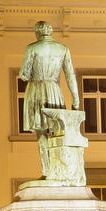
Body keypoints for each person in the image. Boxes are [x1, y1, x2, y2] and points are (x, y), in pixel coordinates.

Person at [18, 20, 80, 178]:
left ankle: (47, 171)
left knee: (41, 133)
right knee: (57, 131)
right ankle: (61, 169)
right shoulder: (63, 49)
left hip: (37, 90)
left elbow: (23, 75)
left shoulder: (32, 48)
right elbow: (70, 75)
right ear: (50, 32)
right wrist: (75, 99)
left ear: (38, 32)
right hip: (54, 90)